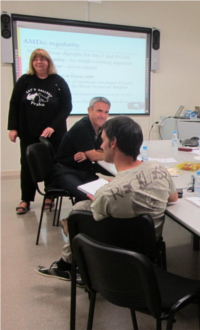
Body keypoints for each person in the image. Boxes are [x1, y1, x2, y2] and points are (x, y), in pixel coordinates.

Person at [36, 116, 179, 283]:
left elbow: (96, 223)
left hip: (114, 254)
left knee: (80, 209)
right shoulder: (158, 169)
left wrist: (100, 197)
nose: (101, 146)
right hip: (149, 249)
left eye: (103, 140)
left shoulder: (107, 193)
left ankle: (67, 266)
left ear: (113, 143)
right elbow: (173, 197)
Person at [7, 48, 72, 214]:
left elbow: (66, 107)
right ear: (32, 62)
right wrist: (13, 128)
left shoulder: (58, 81)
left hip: (53, 134)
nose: (39, 62)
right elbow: (14, 104)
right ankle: (26, 199)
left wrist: (53, 126)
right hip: (28, 133)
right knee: (27, 165)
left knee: (51, 166)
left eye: (42, 59)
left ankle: (49, 196)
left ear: (48, 62)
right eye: (35, 59)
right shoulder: (25, 81)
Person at [52, 97, 110, 203]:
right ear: (89, 110)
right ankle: (74, 219)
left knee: (103, 192)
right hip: (66, 171)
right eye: (99, 111)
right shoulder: (82, 127)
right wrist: (112, 154)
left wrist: (90, 153)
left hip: (85, 170)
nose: (103, 116)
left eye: (106, 112)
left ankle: (83, 218)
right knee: (86, 195)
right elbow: (94, 156)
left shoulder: (100, 127)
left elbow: (100, 150)